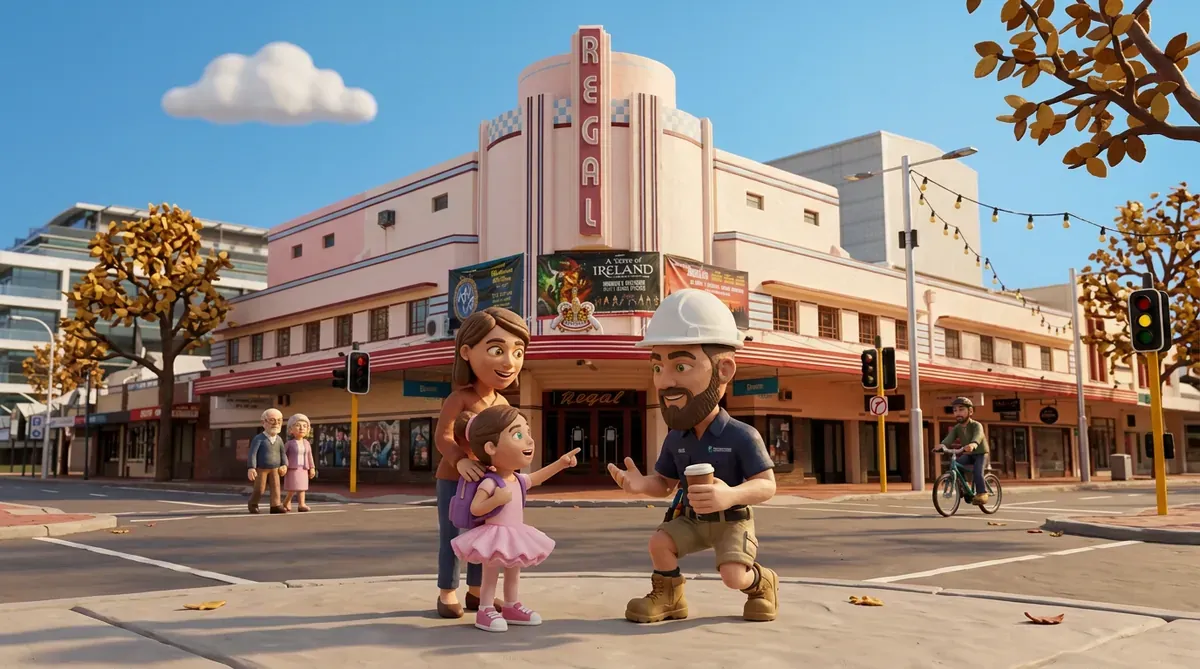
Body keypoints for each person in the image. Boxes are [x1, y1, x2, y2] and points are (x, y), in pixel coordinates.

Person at [607, 288, 780, 624]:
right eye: (657, 368)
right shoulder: (676, 438)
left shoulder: (743, 435)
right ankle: (669, 597)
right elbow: (665, 483)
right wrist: (642, 484)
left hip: (731, 521)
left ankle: (761, 583)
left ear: (725, 370)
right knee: (660, 543)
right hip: (691, 519)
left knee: (733, 576)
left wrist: (730, 495)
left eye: (681, 366)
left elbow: (766, 485)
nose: (665, 381)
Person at [433, 307, 530, 619]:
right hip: (455, 479)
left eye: (518, 352)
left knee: (484, 537)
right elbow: (442, 437)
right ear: (466, 352)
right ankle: (447, 591)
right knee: (453, 535)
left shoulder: (503, 404)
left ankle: (478, 591)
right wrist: (459, 460)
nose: (509, 362)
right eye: (497, 350)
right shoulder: (459, 398)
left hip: (489, 482)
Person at [450, 406, 579, 632]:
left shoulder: (517, 479)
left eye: (527, 433)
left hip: (515, 532)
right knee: (491, 572)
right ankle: (485, 609)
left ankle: (510, 605)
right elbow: (476, 508)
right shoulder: (491, 482)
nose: (529, 441)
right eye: (518, 435)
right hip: (495, 534)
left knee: (513, 571)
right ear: (491, 447)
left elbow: (537, 478)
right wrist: (496, 499)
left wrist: (561, 463)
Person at [937, 397, 991, 505]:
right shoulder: (957, 428)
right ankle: (965, 488)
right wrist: (942, 445)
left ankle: (982, 493)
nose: (957, 413)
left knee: (977, 471)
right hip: (969, 453)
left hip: (980, 453)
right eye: (955, 410)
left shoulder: (976, 425)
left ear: (970, 411)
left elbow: (978, 435)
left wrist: (974, 444)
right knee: (957, 465)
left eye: (961, 410)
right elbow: (949, 438)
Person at [247, 408, 289, 514]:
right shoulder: (259, 438)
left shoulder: (279, 439)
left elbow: (283, 453)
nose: (276, 423)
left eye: (279, 420)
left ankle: (275, 505)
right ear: (263, 422)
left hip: (275, 468)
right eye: (272, 420)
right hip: (261, 468)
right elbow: (252, 453)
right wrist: (251, 467)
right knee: (260, 488)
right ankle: (253, 503)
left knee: (276, 488)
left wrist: (284, 464)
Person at [283, 413, 317, 513]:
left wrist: (312, 468)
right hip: (292, 468)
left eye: (305, 426)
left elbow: (310, 456)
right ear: (291, 429)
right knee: (292, 488)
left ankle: (302, 504)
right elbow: (283, 455)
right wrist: (284, 465)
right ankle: (286, 502)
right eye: (298, 425)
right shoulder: (289, 444)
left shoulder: (307, 443)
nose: (301, 428)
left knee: (302, 487)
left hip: (303, 468)